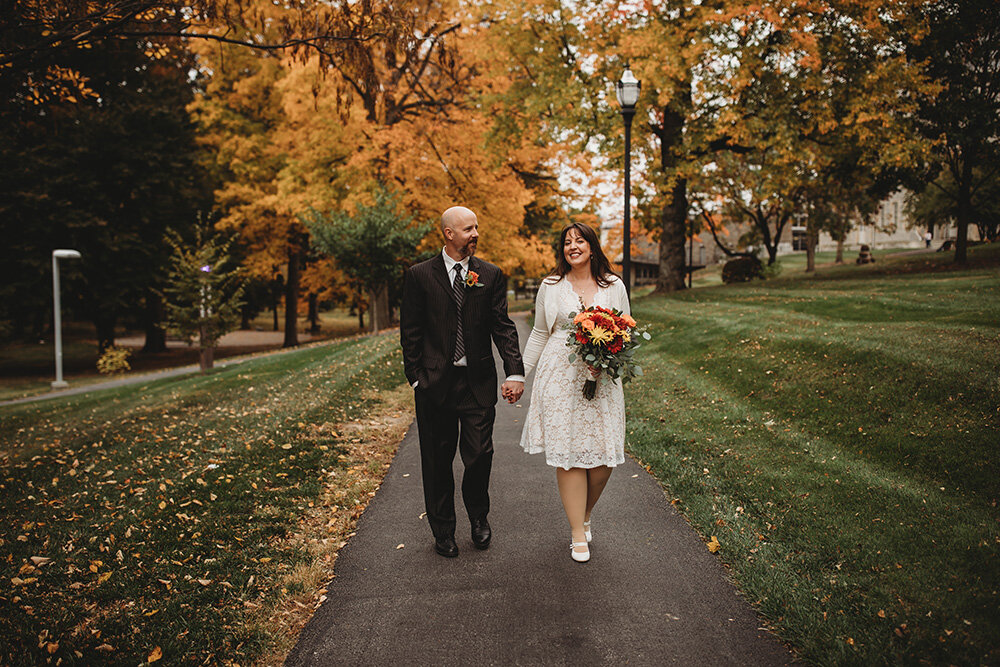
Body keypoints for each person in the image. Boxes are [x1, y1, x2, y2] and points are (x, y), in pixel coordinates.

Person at [400, 206, 525, 558]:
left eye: (476, 228)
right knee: (437, 461)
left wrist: (514, 370)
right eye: (468, 229)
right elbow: (410, 332)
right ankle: (443, 531)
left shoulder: (490, 274)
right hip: (434, 385)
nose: (475, 234)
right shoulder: (419, 275)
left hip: (477, 383)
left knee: (479, 455)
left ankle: (479, 517)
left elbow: (502, 326)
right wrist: (415, 379)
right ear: (448, 234)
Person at [518, 222, 630, 563]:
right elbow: (539, 333)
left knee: (602, 461)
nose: (573, 246)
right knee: (568, 453)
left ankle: (584, 512)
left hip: (603, 380)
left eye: (580, 240)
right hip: (559, 377)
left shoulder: (614, 285)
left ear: (592, 247)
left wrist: (608, 358)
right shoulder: (551, 286)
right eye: (567, 242)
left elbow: (625, 329)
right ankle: (577, 532)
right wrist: (518, 374)